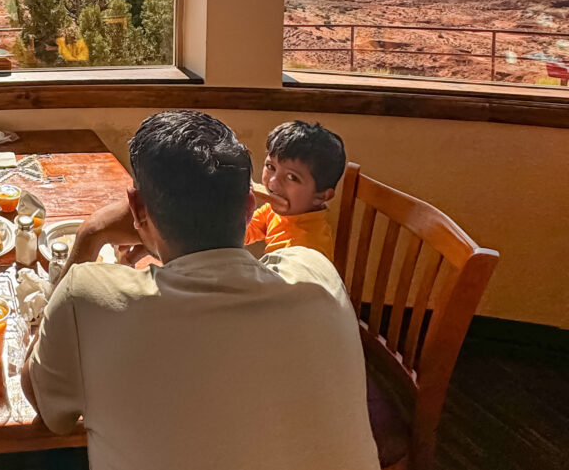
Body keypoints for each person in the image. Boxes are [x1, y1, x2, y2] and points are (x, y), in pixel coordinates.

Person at [21, 111, 378, 470]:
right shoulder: (319, 272)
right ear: (251, 206)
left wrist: (93, 231)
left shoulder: (84, 296)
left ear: (137, 209)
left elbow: (50, 412)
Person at [246, 120, 346, 259]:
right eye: (271, 167)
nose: (273, 183)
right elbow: (244, 232)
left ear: (321, 196)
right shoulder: (278, 210)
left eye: (292, 177)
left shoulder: (307, 249)